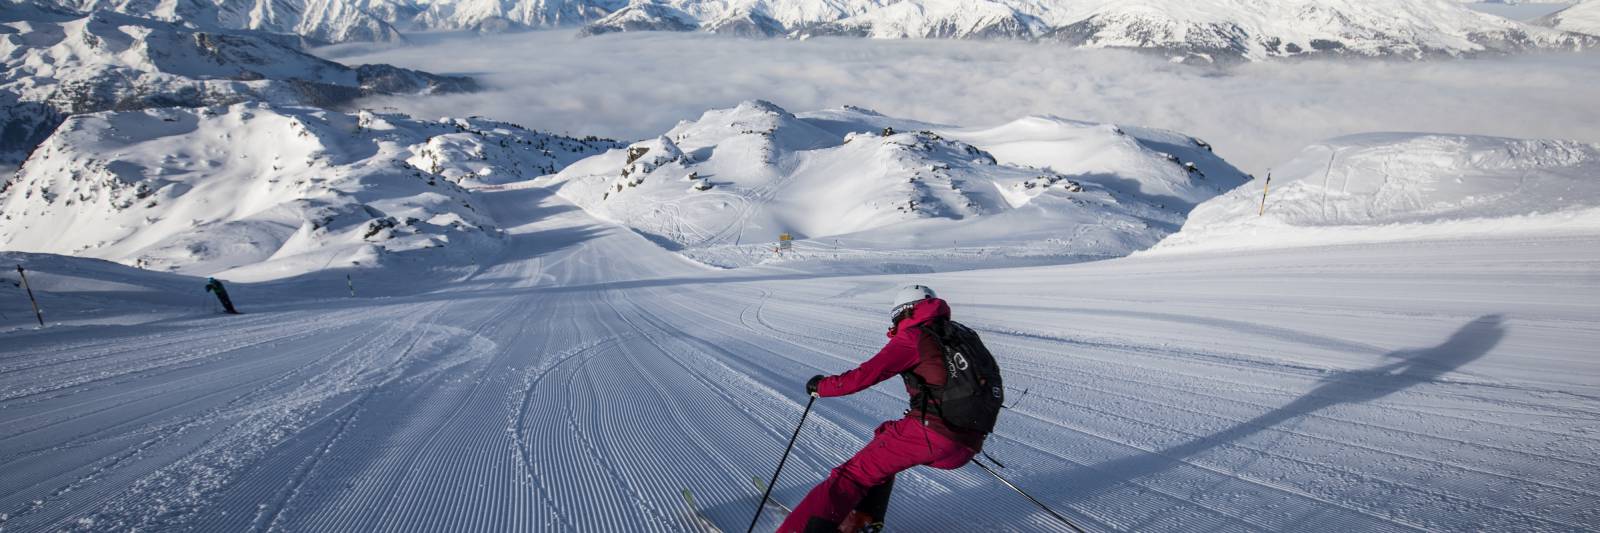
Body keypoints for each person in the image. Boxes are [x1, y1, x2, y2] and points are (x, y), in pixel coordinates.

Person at [779, 285, 985, 533]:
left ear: (904, 313)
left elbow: (863, 376)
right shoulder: (963, 335)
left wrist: (821, 386)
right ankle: (862, 520)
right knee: (886, 433)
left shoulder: (915, 336)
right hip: (968, 442)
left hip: (932, 434)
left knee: (849, 477)